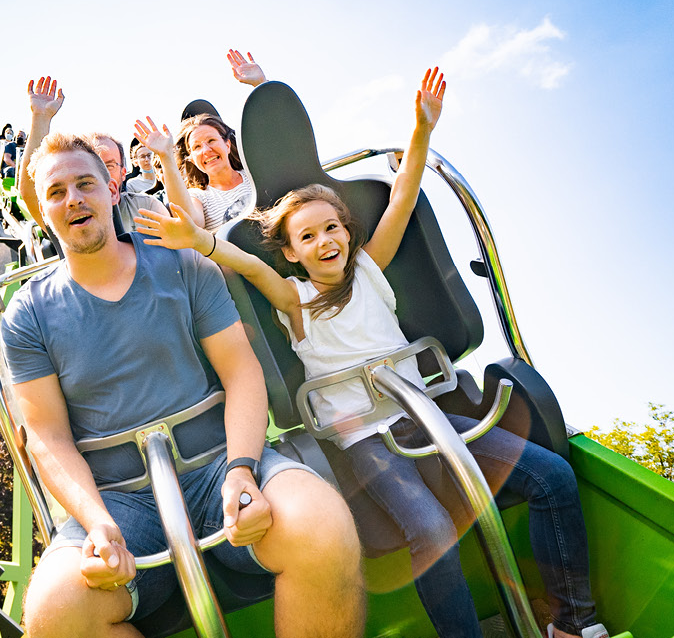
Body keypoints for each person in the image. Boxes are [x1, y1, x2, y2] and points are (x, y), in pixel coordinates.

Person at [136, 67, 610, 638]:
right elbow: (250, 266)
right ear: (292, 252)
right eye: (307, 237)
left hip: (430, 415)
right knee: (431, 532)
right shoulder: (295, 300)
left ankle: (572, 623)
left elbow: (403, 197)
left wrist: (421, 130)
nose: (325, 242)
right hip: (369, 440)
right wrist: (201, 241)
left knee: (553, 477)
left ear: (348, 231)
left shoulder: (368, 266)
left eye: (332, 228)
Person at [5, 131, 363, 637]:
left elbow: (240, 371)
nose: (74, 199)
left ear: (112, 190)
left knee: (320, 525)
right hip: (122, 503)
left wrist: (241, 469)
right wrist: (97, 521)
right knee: (55, 610)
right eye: (57, 192)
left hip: (217, 463)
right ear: (42, 210)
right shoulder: (27, 314)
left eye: (86, 183)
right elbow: (47, 436)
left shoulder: (182, 263)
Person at [14, 77, 169, 238]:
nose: (102, 173)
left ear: (123, 173)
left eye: (108, 165)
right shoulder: (71, 211)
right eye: (93, 167)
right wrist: (41, 117)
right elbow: (31, 190)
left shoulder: (145, 206)